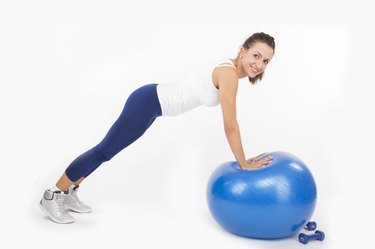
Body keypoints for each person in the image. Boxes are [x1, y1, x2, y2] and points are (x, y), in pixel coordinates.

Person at [39, 32, 276, 224]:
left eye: (265, 61)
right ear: (242, 51)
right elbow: (230, 124)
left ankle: (70, 192)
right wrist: (243, 163)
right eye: (256, 55)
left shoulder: (230, 71)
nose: (259, 64)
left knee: (107, 152)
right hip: (147, 102)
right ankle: (53, 194)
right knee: (104, 150)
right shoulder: (228, 74)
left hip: (152, 104)